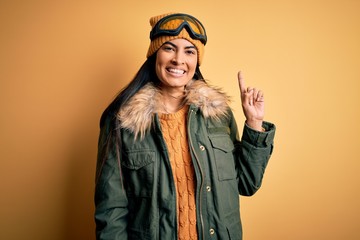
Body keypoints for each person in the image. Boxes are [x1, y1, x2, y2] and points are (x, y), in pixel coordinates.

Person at [94, 12, 276, 240]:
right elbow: (111, 209)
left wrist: (254, 123)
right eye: (169, 48)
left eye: (189, 51)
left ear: (196, 61)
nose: (179, 60)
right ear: (154, 54)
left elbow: (246, 184)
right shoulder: (123, 120)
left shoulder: (218, 114)